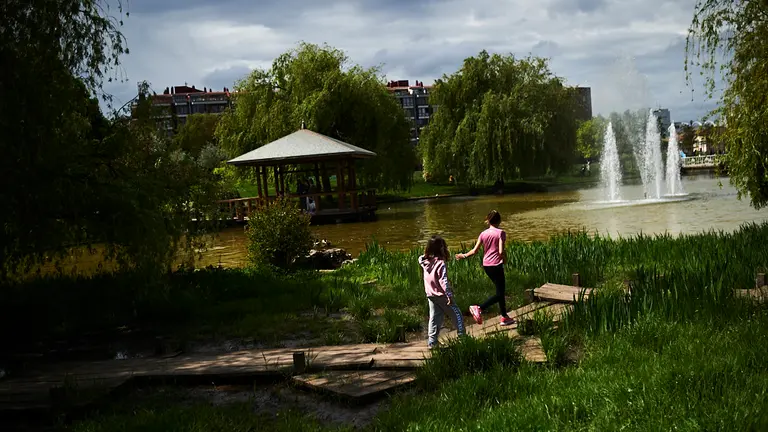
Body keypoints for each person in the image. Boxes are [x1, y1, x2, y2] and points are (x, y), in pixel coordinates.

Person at [455, 210, 514, 326]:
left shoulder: (483, 234)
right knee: (500, 293)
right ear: (500, 220)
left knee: (499, 291)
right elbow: (501, 251)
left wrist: (464, 255)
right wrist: (505, 259)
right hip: (496, 265)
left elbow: (475, 251)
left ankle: (504, 317)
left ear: (488, 220)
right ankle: (479, 308)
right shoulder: (501, 233)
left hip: (487, 265)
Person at [419, 235, 466, 348]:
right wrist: (449, 295)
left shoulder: (423, 261)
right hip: (442, 296)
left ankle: (432, 342)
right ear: (442, 249)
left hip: (430, 295)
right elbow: (443, 280)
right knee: (457, 314)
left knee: (434, 318)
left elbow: (421, 257)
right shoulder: (440, 263)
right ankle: (463, 338)